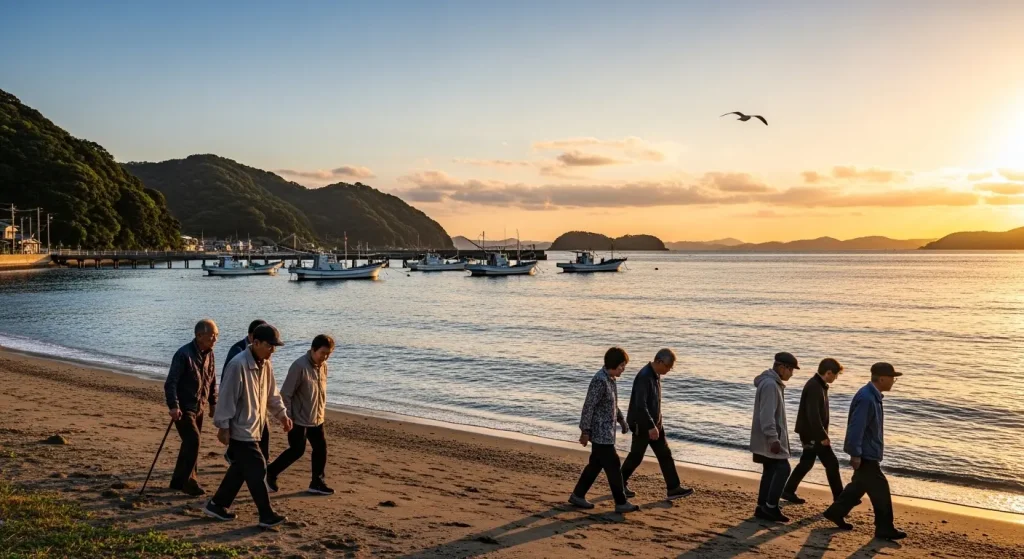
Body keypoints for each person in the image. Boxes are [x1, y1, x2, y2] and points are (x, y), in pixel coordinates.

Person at [204, 324, 292, 528]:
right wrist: (223, 426)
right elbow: (227, 397)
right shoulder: (238, 365)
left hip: (257, 426)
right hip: (240, 428)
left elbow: (272, 395)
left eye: (275, 347)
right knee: (257, 466)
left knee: (240, 469)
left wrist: (282, 416)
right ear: (256, 342)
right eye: (270, 346)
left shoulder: (266, 364)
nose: (273, 350)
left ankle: (217, 504)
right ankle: (266, 515)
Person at [823, 363, 907, 541]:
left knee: (858, 486)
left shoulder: (872, 396)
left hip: (867, 452)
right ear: (882, 378)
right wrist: (855, 453)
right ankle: (884, 528)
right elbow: (856, 427)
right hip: (865, 454)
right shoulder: (867, 398)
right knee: (881, 489)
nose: (894, 381)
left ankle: (835, 512)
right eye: (893, 378)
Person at [568, 347, 640, 513]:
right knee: (614, 465)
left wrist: (621, 420)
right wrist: (585, 431)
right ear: (614, 364)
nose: (624, 369)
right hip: (600, 433)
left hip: (607, 432)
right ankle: (621, 502)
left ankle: (577, 495)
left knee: (595, 465)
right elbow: (589, 406)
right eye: (622, 365)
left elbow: (612, 405)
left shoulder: (610, 379)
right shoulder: (600, 380)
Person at [620, 348, 694, 501]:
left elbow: (654, 403)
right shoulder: (645, 376)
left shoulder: (655, 375)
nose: (668, 370)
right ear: (659, 361)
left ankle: (673, 488)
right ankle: (618, 483)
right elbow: (641, 405)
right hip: (643, 424)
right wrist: (650, 426)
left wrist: (658, 422)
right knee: (636, 456)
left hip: (655, 424)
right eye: (667, 366)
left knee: (665, 454)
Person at [266, 334, 336, 495]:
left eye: (329, 354)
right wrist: (287, 417)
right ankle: (270, 472)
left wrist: (321, 412)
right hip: (297, 419)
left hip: (317, 418)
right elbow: (286, 394)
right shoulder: (299, 366)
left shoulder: (323, 366)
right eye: (323, 353)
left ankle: (317, 482)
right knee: (297, 450)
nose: (325, 357)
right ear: (313, 350)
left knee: (321, 448)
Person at [164, 319, 219, 496]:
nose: (215, 340)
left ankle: (177, 482)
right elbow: (170, 382)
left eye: (217, 336)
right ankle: (188, 481)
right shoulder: (183, 354)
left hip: (199, 406)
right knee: (193, 441)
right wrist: (173, 406)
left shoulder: (209, 354)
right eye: (212, 336)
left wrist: (213, 403)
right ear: (199, 335)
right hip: (184, 407)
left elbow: (212, 380)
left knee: (189, 444)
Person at [781, 357, 845, 504]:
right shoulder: (815, 386)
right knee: (832, 463)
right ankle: (840, 499)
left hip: (810, 433)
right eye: (835, 375)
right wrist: (822, 435)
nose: (836, 378)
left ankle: (788, 490)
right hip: (813, 434)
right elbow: (813, 414)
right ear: (828, 372)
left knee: (807, 463)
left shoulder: (818, 385)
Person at [751, 352, 797, 522]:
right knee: (783, 469)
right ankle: (770, 507)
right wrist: (773, 438)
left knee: (770, 470)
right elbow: (767, 415)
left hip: (767, 437)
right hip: (770, 439)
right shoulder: (771, 385)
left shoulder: (771, 383)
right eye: (791, 369)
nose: (791, 374)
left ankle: (762, 507)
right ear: (782, 367)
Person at [224, 319, 270, 462]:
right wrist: (224, 423)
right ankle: (260, 463)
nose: (271, 350)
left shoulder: (263, 355)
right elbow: (228, 383)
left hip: (257, 405)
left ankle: (261, 461)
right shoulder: (238, 354)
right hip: (242, 406)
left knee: (263, 432)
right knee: (242, 439)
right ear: (251, 337)